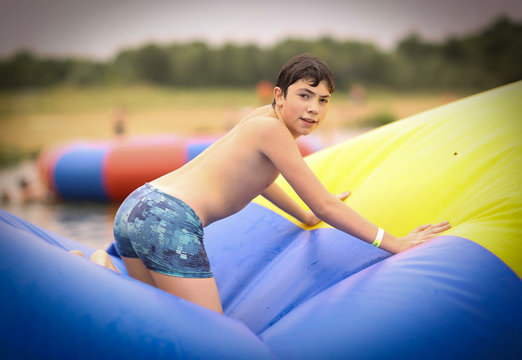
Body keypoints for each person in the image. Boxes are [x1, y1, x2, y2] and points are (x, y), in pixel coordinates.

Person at [77, 54, 450, 314]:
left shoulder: (259, 122)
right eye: (304, 96)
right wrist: (395, 243)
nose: (314, 109)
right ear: (279, 95)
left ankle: (102, 273)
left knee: (157, 314)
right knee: (211, 336)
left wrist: (301, 215)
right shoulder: (274, 133)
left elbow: (260, 180)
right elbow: (327, 206)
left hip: (138, 205)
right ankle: (101, 274)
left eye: (323, 100)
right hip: (169, 221)